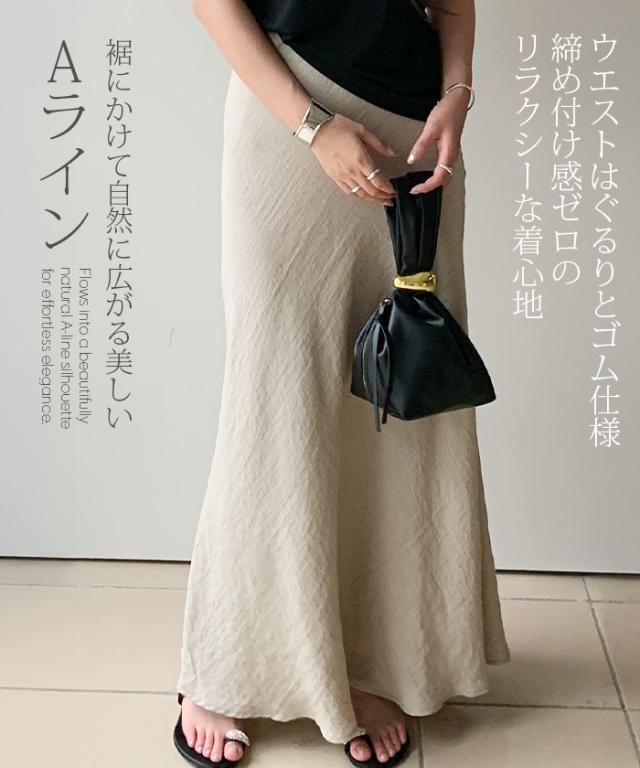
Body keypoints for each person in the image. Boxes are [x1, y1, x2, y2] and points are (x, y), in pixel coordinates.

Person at [174, 1, 511, 766]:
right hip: (292, 114)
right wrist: (314, 127)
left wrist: (456, 96)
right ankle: (223, 667)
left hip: (417, 135)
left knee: (398, 408)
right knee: (275, 399)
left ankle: (368, 661)